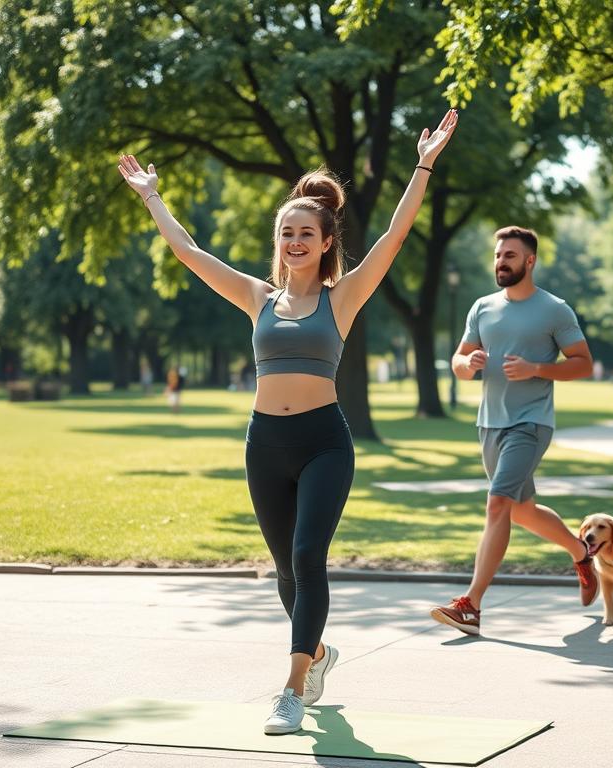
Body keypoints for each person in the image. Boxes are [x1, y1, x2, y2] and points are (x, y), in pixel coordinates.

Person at [118, 107, 456, 735]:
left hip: (324, 441)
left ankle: (292, 690)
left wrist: (423, 164)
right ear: (278, 242)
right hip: (265, 444)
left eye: (307, 233)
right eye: (286, 233)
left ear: (327, 242)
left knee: (308, 555)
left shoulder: (343, 297)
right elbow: (190, 253)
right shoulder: (257, 297)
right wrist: (154, 198)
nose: (295, 241)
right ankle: (319, 654)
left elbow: (394, 237)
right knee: (284, 570)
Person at [430, 225, 597, 636]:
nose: (501, 262)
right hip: (490, 423)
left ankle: (471, 605)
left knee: (497, 504)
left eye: (509, 256)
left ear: (530, 260)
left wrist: (537, 368)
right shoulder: (482, 307)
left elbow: (583, 362)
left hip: (531, 422)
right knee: (521, 511)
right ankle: (581, 552)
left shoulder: (555, 310)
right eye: (498, 255)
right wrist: (465, 366)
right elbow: (458, 358)